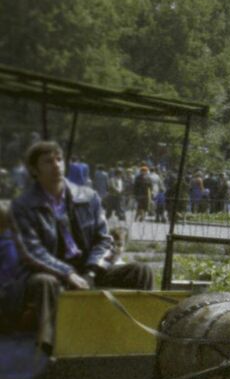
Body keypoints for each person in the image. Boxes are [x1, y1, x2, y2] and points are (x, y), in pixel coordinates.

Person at [10, 142, 156, 354]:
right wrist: (68, 274)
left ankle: (138, 339)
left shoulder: (88, 197)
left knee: (140, 271)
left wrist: (91, 271)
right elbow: (33, 251)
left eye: (59, 159)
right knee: (44, 282)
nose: (56, 165)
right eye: (48, 161)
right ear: (34, 170)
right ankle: (50, 349)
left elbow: (103, 240)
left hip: (88, 269)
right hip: (49, 273)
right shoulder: (24, 205)